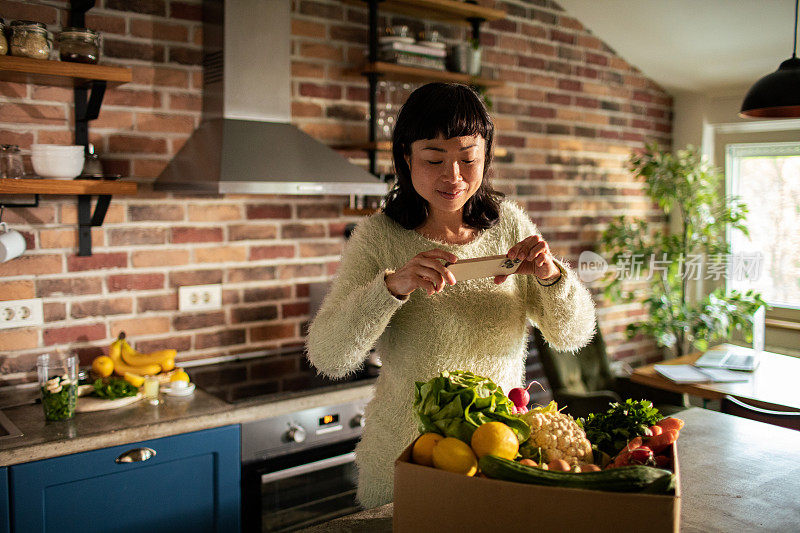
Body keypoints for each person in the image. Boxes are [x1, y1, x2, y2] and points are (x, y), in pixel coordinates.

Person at [306, 82, 595, 508]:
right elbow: (328, 356)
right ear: (406, 157)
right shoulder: (378, 239)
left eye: (468, 158)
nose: (453, 176)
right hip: (406, 463)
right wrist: (391, 287)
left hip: (499, 457)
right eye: (434, 159)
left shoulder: (509, 224)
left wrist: (551, 277)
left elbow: (573, 334)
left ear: (486, 156)